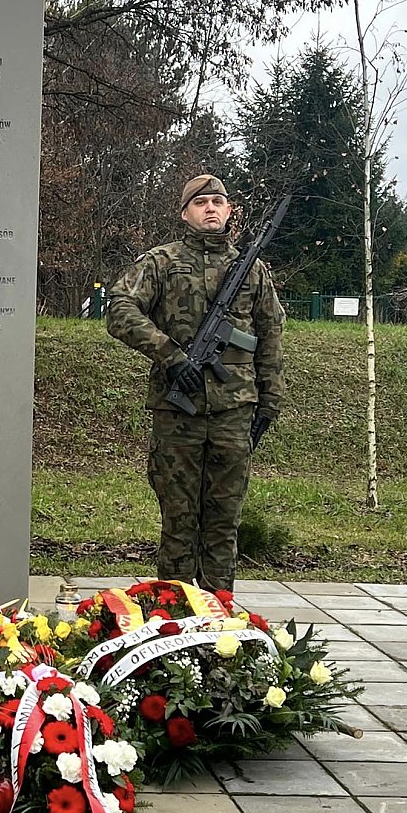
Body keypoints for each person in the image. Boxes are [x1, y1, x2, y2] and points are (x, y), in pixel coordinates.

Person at [105, 174, 284, 592]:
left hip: (233, 412)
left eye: (217, 202)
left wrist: (269, 402)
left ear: (228, 211)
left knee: (224, 522)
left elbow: (271, 336)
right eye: (200, 202)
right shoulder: (160, 262)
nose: (210, 208)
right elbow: (119, 309)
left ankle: (219, 621)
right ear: (185, 212)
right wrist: (169, 354)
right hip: (177, 413)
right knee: (179, 520)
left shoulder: (252, 271)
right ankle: (174, 619)